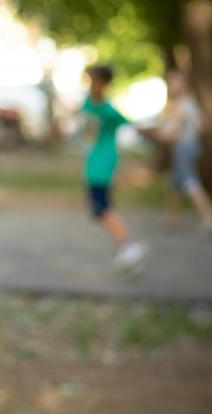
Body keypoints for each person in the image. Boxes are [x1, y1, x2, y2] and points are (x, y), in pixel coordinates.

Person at [81, 65, 147, 273]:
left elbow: (134, 125)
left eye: (93, 80)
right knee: (98, 209)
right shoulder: (88, 103)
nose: (90, 85)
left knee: (102, 207)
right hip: (92, 163)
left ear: (103, 83)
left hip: (102, 163)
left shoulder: (108, 110)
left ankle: (128, 246)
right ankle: (127, 249)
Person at [155, 70, 212, 234]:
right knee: (176, 183)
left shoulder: (180, 105)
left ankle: (210, 217)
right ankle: (172, 217)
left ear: (182, 85)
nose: (171, 86)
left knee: (190, 182)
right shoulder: (192, 103)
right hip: (192, 146)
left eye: (173, 83)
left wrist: (159, 133)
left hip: (183, 147)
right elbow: (203, 125)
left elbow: (169, 132)